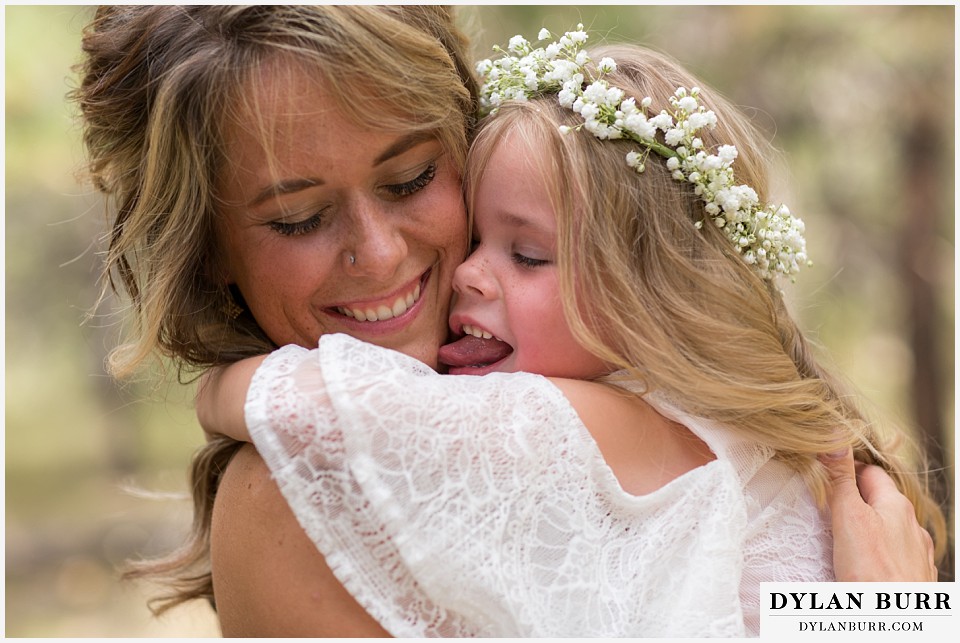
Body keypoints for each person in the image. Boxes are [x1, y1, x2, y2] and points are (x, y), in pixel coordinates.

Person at [70, 6, 941, 637]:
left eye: (411, 178)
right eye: (298, 219)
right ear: (208, 249)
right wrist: (890, 615)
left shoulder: (619, 420)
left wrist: (225, 390)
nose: (378, 255)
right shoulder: (288, 499)